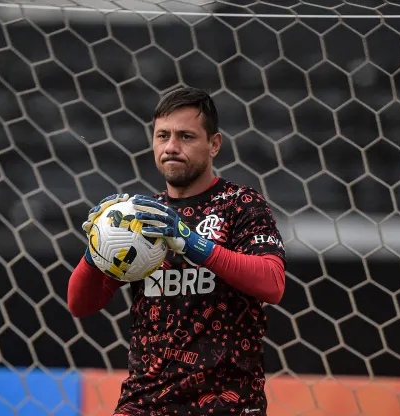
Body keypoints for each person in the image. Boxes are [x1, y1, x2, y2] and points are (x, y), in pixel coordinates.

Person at [67, 87, 286, 416]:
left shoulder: (241, 204)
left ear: (214, 144)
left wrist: (191, 242)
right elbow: (80, 304)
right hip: (145, 402)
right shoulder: (140, 219)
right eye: (163, 136)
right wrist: (97, 249)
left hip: (227, 404)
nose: (171, 147)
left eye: (186, 137)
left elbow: (273, 284)